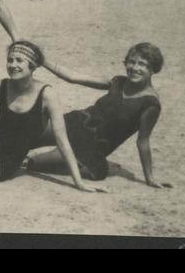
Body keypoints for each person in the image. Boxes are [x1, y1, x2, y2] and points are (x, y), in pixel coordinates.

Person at [0, 41, 105, 192]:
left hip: (10, 155)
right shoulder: (1, 87)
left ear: (32, 65)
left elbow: (62, 141)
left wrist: (79, 182)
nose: (12, 65)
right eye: (10, 60)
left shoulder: (47, 94)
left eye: (19, 60)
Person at [30, 43, 172, 188]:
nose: (135, 68)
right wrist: (42, 60)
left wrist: (150, 178)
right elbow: (72, 77)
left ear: (153, 69)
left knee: (33, 164)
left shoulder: (150, 104)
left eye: (142, 64)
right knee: (26, 136)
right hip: (76, 123)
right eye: (132, 62)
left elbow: (143, 141)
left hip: (89, 150)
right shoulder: (117, 82)